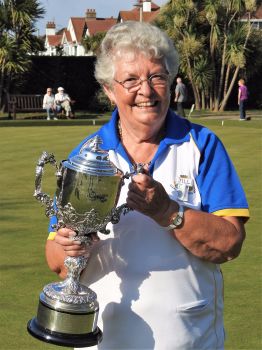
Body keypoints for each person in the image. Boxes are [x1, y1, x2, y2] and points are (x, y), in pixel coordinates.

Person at [46, 21, 249, 350]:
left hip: (187, 340)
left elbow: (229, 243)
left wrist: (169, 212)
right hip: (100, 341)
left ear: (170, 83)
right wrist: (69, 246)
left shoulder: (203, 146)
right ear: (110, 90)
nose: (147, 91)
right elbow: (56, 258)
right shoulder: (86, 154)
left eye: (157, 76)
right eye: (131, 80)